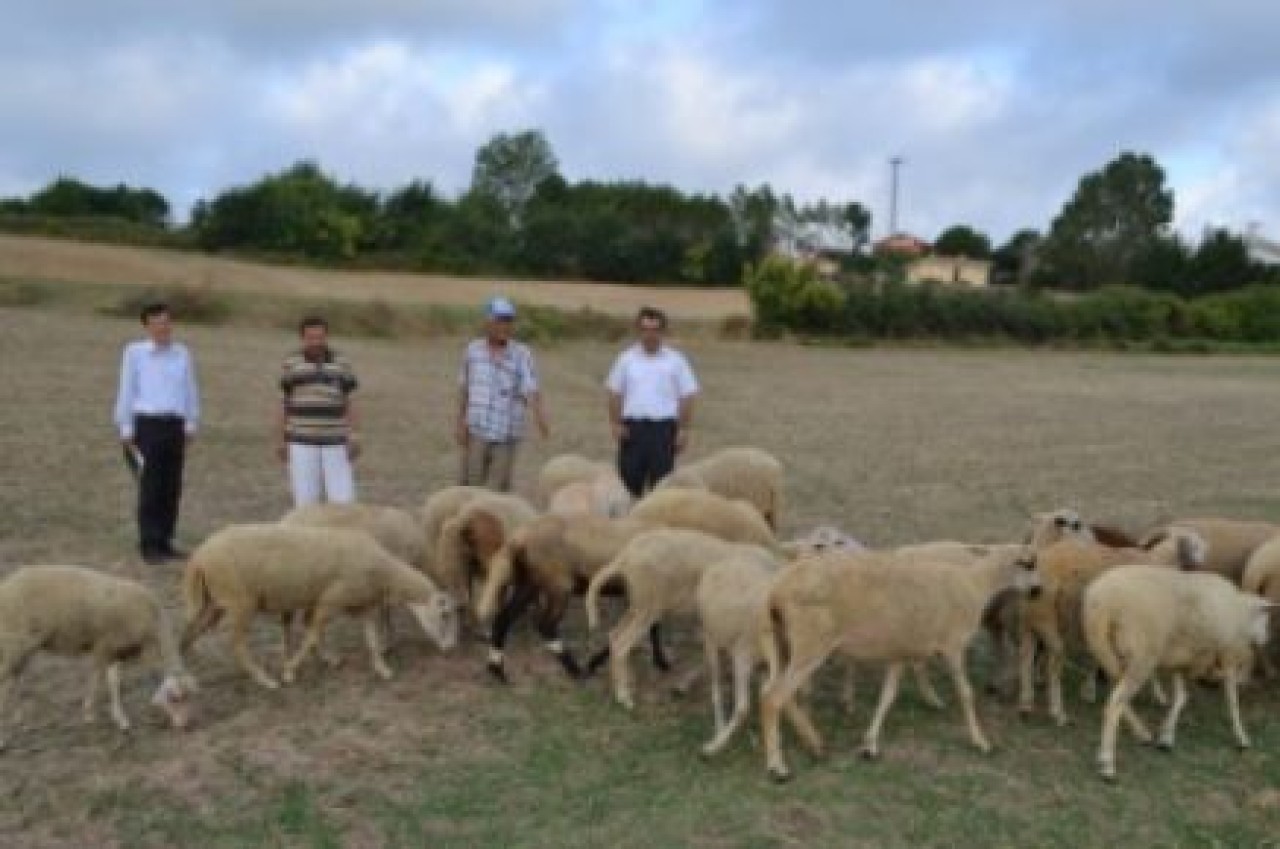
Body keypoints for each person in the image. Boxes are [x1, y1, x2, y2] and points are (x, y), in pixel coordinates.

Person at [114, 302, 200, 564]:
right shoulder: (135, 353)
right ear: (147, 326)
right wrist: (125, 426)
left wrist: (191, 422)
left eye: (166, 322)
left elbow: (189, 389)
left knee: (171, 486)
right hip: (148, 424)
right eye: (157, 323)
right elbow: (127, 389)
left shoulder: (181, 353)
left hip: (174, 424)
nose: (163, 328)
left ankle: (165, 540)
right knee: (151, 485)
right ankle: (149, 544)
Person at [455, 297, 549, 491]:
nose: (505, 327)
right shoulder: (473, 351)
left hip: (506, 433)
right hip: (477, 429)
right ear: (487, 323)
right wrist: (460, 422)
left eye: (509, 321)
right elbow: (465, 388)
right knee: (471, 484)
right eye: (500, 321)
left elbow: (531, 388)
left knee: (495, 490)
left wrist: (539, 415)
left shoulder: (522, 354)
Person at [605, 306, 699, 499]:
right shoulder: (625, 359)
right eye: (645, 329)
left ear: (663, 332)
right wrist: (615, 423)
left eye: (655, 330)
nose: (650, 335)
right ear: (638, 331)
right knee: (628, 487)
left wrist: (683, 429)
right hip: (633, 431)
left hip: (663, 432)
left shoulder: (676, 361)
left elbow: (687, 396)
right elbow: (614, 392)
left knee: (662, 489)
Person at [276, 316, 359, 506]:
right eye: (311, 338)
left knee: (344, 502)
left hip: (336, 441)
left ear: (326, 337)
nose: (316, 342)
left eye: (320, 337)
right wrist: (281, 439)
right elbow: (283, 402)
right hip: (301, 441)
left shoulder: (342, 363)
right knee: (305, 503)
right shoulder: (291, 363)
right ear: (302, 338)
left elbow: (350, 400)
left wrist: (354, 434)